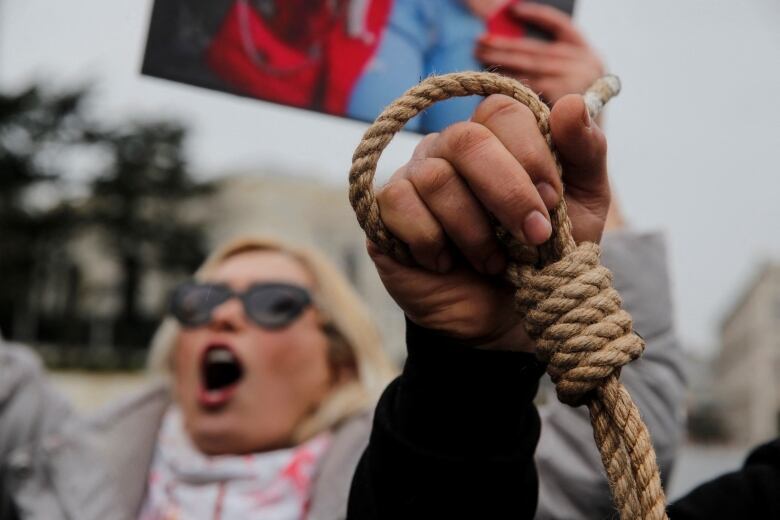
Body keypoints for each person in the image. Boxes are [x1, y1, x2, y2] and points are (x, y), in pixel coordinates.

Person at [0, 90, 682, 520]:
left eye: (272, 302)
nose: (224, 316)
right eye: (202, 298)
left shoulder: (413, 459)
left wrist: (576, 231)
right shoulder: (50, 456)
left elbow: (616, 445)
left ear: (335, 357)